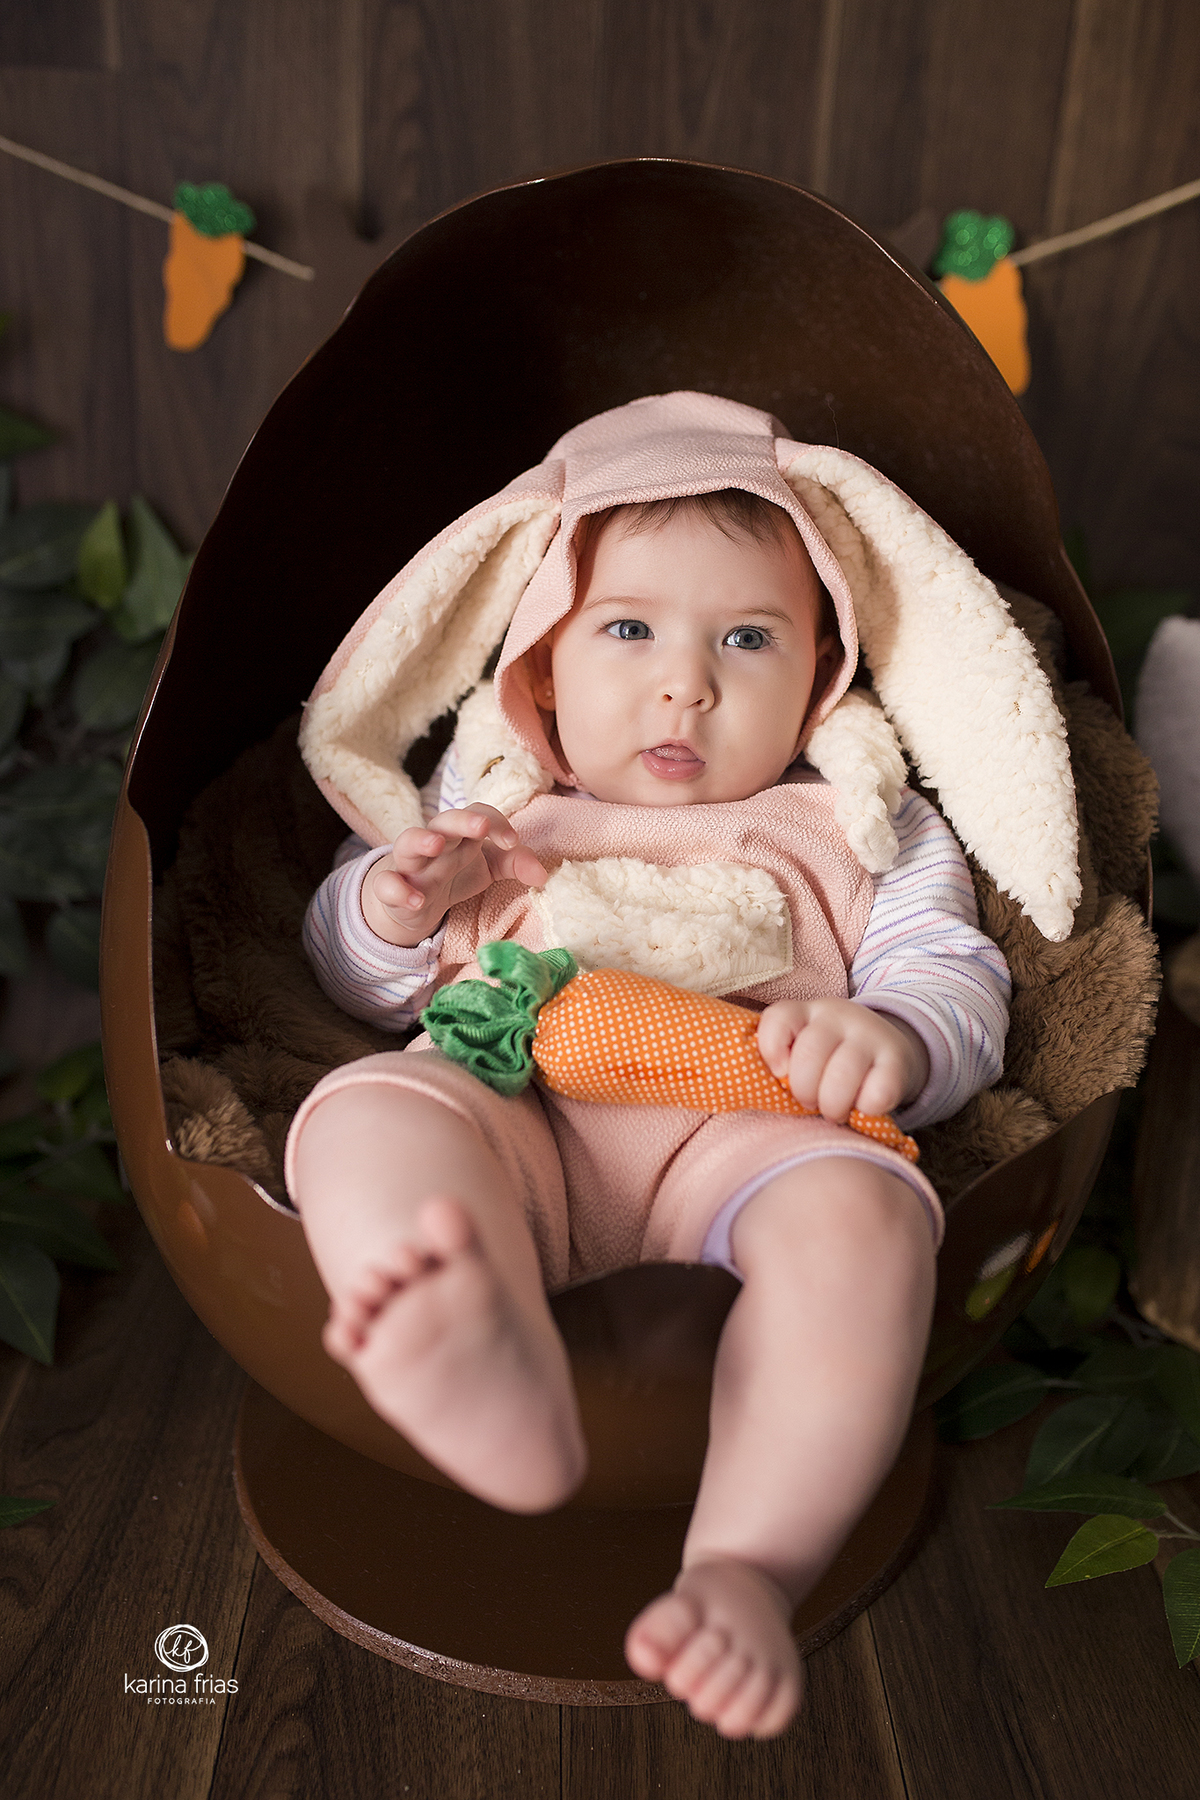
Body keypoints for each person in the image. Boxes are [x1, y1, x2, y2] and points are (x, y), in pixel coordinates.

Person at [288, 393, 1016, 1739]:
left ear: (823, 675)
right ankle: (479, 1353)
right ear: (543, 666)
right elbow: (347, 975)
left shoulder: (863, 819)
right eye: (629, 629)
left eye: (748, 638)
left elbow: (958, 978)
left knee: (865, 1225)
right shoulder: (496, 798)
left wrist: (897, 1039)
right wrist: (393, 908)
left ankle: (749, 1560)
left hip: (747, 1119)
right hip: (517, 1102)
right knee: (368, 1109)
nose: (687, 681)